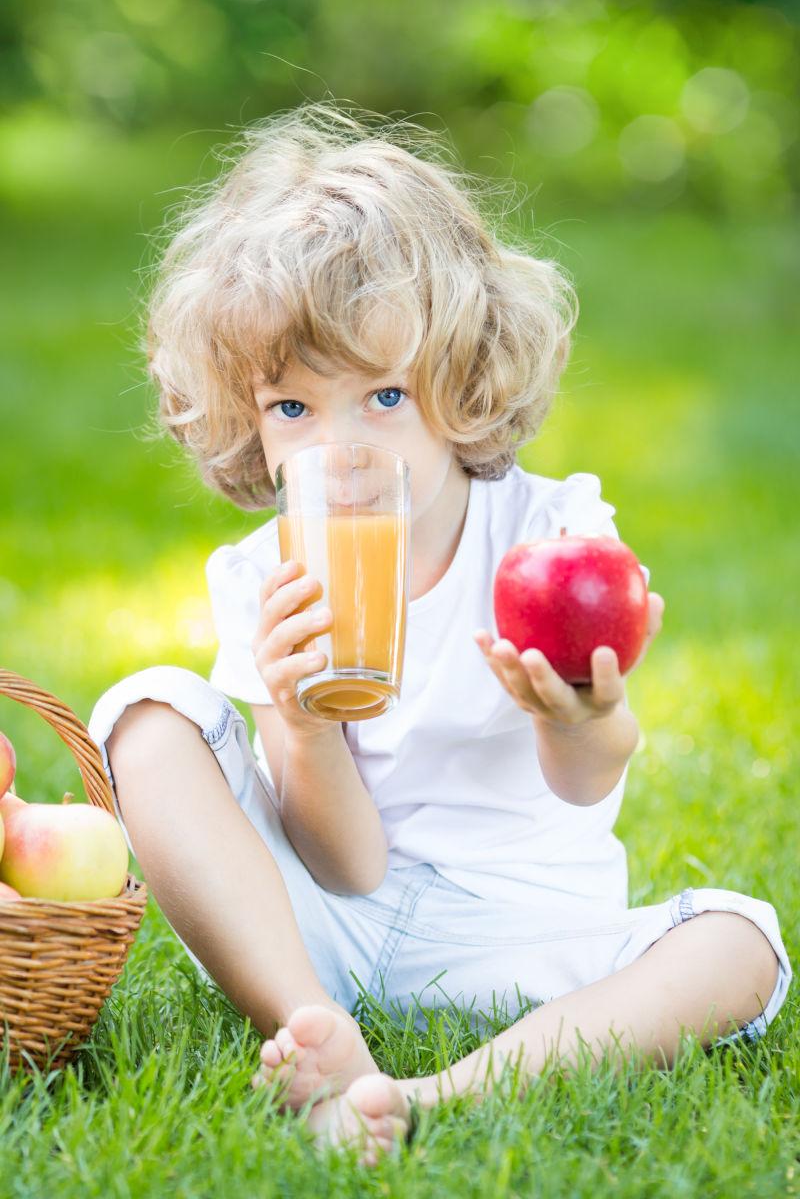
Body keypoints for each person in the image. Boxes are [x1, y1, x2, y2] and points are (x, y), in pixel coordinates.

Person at [87, 102, 792, 1166]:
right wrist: (300, 719)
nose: (342, 448)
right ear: (249, 419)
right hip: (333, 931)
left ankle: (436, 1091)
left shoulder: (547, 536)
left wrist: (583, 718)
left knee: (739, 943)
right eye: (292, 411)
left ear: (458, 381)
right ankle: (314, 1023)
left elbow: (586, 782)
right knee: (144, 713)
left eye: (381, 395)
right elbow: (349, 863)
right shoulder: (261, 578)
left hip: (521, 939)